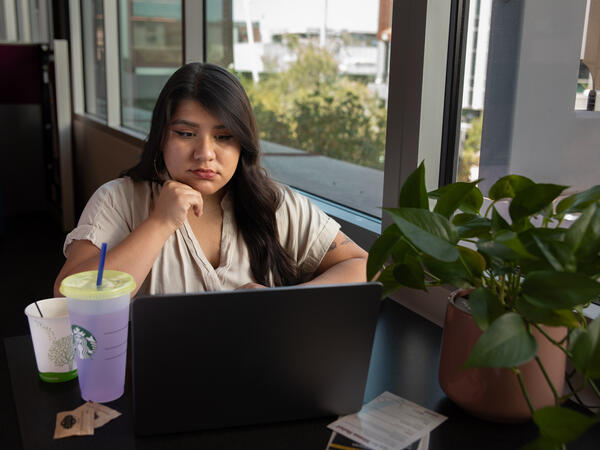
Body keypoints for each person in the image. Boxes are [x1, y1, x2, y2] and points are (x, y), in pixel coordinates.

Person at [53, 62, 367, 298]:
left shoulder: (275, 204)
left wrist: (285, 302)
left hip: (260, 374)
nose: (205, 153)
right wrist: (159, 223)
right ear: (161, 137)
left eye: (223, 137)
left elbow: (364, 265)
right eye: (186, 134)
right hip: (154, 375)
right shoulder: (118, 200)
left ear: (242, 143)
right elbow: (67, 298)